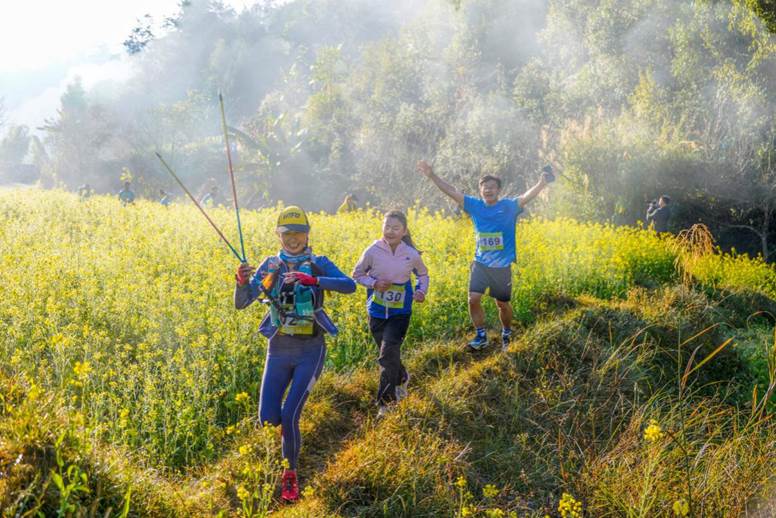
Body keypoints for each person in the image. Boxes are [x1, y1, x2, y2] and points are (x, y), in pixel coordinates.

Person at [233, 206, 356, 503]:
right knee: (268, 419)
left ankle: (290, 474)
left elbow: (349, 286)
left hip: (310, 351)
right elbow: (243, 302)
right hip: (278, 350)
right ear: (278, 234)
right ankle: (288, 447)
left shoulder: (318, 263)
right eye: (287, 234)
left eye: (299, 233)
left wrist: (314, 280)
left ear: (308, 234)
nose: (293, 240)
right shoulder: (270, 265)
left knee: (290, 415)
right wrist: (240, 282)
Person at [418, 160, 553, 351]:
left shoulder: (509, 206)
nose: (488, 190)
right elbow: (451, 191)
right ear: (480, 190)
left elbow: (526, 196)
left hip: (501, 266)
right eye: (484, 187)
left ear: (498, 190)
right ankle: (481, 335)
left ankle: (506, 332)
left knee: (502, 304)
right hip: (480, 263)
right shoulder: (474, 205)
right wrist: (432, 176)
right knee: (473, 299)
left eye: (492, 187)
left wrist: (541, 183)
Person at [352, 210, 429, 417]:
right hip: (376, 311)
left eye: (395, 228)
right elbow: (357, 274)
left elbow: (422, 274)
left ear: (404, 231)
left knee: (386, 356)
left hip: (400, 313)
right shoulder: (372, 250)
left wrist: (421, 290)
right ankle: (402, 376)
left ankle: (385, 404)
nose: (390, 231)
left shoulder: (410, 254)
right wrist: (374, 283)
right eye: (387, 227)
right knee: (389, 356)